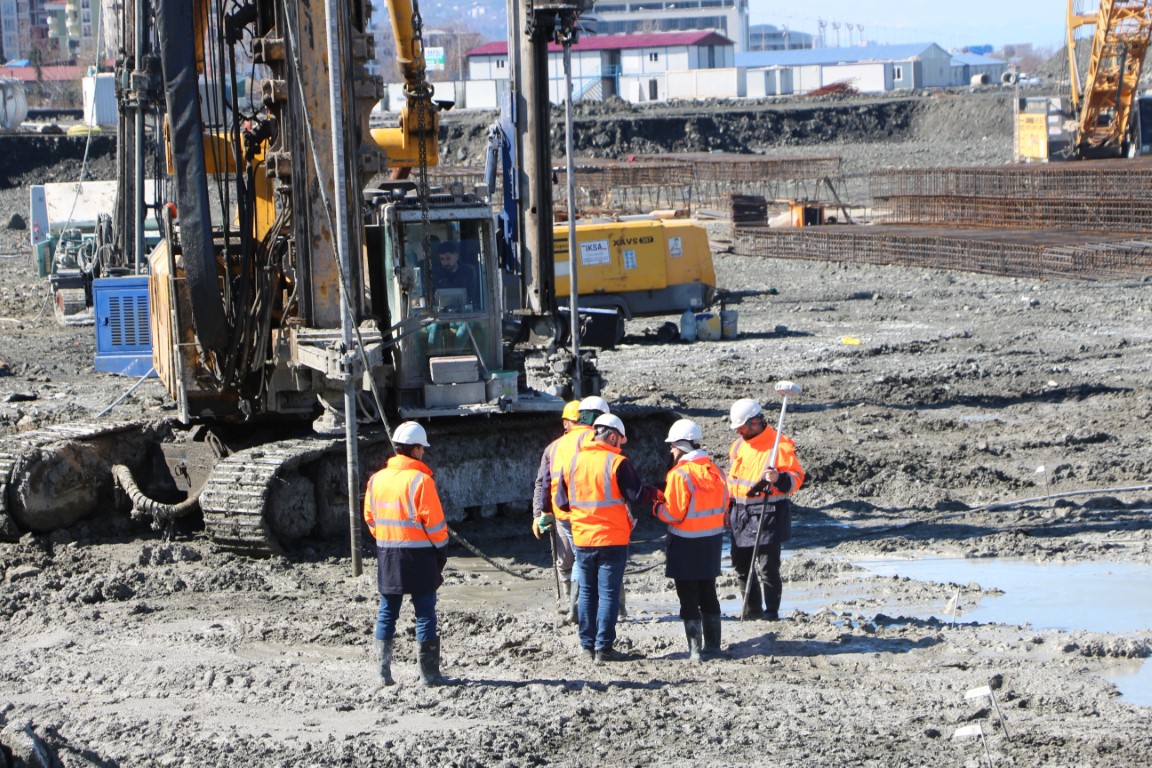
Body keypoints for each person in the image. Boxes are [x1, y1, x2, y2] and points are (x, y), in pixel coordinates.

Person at [556, 413, 657, 662]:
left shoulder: (573, 462)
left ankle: (587, 646)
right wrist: (657, 493)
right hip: (611, 538)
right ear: (612, 436)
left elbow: (561, 501)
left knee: (588, 592)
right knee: (609, 593)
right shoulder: (617, 463)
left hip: (582, 538)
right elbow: (636, 495)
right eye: (620, 441)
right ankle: (604, 648)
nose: (621, 446)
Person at [363, 421, 450, 686]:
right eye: (422, 449)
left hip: (388, 554)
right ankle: (429, 674)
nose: (424, 453)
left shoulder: (376, 479)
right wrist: (441, 549)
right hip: (420, 557)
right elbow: (435, 525)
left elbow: (370, 517)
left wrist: (388, 539)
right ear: (414, 450)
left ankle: (383, 673)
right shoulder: (421, 481)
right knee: (424, 613)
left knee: (387, 611)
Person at [653, 419, 730, 660]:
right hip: (711, 543)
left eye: (673, 446)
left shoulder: (679, 475)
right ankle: (713, 647)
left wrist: (656, 509)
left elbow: (674, 514)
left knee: (688, 599)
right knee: (709, 593)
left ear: (682, 445)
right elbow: (725, 505)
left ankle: (695, 651)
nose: (671, 451)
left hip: (685, 545)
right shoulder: (715, 471)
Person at [725, 398, 805, 621]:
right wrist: (727, 508)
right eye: (737, 428)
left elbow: (796, 479)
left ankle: (771, 614)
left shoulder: (779, 445)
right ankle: (752, 612)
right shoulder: (738, 445)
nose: (739, 431)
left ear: (756, 422)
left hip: (769, 514)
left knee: (768, 568)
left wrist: (779, 478)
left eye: (742, 427)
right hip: (740, 513)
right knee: (742, 566)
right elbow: (732, 481)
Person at [531, 399, 585, 622]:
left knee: (580, 562)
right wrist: (539, 514)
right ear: (566, 423)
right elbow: (542, 483)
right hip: (564, 515)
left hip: (580, 515)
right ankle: (569, 602)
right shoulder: (553, 449)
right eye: (575, 422)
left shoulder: (589, 444)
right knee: (567, 562)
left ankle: (577, 607)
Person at [433, 240, 479, 306]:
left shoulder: (468, 271)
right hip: (441, 314)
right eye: (442, 259)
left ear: (456, 256)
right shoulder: (436, 273)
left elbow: (473, 296)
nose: (445, 263)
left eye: (448, 258)